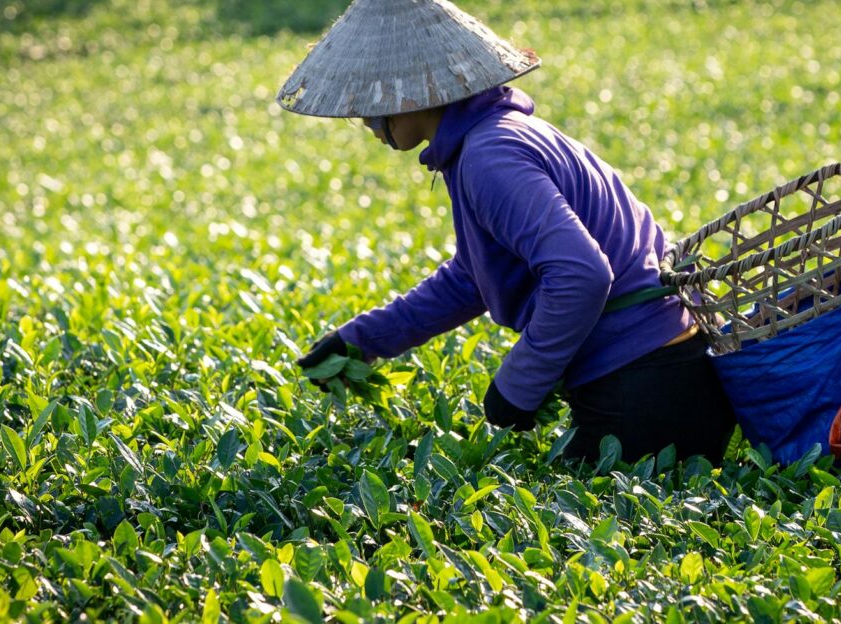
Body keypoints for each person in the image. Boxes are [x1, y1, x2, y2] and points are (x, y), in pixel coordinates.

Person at [279, 0, 735, 464]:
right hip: (667, 371)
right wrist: (360, 341)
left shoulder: (489, 156)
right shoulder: (493, 137)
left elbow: (582, 273)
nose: (364, 120)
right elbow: (472, 278)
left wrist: (518, 385)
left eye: (369, 105)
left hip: (646, 385)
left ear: (410, 94)